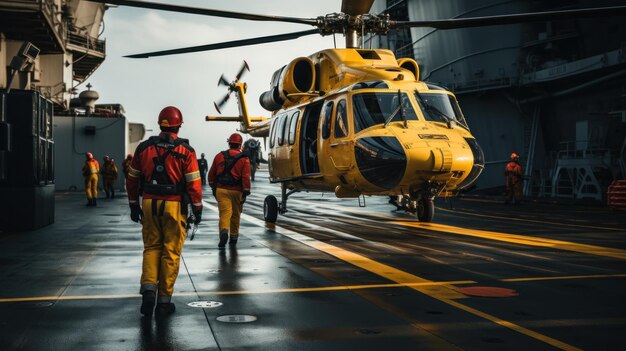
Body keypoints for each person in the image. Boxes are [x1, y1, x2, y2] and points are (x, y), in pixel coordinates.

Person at [126, 106, 203, 317]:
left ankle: (148, 290)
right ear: (179, 125)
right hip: (174, 206)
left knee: (151, 248)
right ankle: (163, 303)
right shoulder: (186, 151)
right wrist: (197, 208)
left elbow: (132, 179)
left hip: (149, 203)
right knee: (170, 252)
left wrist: (134, 204)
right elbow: (194, 184)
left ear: (161, 124)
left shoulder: (143, 148)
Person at [208, 132, 251, 248]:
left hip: (221, 190)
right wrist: (246, 191)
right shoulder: (244, 159)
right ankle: (233, 237)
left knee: (225, 213)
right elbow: (246, 177)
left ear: (229, 144)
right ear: (240, 145)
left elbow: (211, 175)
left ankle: (223, 232)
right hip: (237, 191)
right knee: (236, 214)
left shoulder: (219, 156)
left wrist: (213, 187)